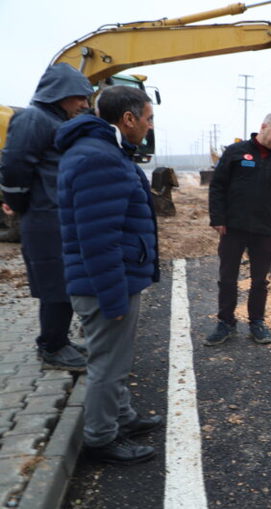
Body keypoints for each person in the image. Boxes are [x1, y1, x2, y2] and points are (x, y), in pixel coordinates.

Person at [55, 85, 162, 465]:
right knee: (108, 365)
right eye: (148, 119)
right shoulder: (99, 158)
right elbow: (98, 239)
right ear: (128, 118)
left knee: (115, 358)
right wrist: (113, 296)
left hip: (107, 279)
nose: (149, 127)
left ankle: (123, 417)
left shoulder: (102, 151)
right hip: (103, 284)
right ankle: (100, 439)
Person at [0, 63, 93, 371]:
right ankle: (51, 347)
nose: (83, 103)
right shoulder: (33, 119)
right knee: (55, 284)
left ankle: (59, 341)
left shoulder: (54, 120)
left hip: (57, 216)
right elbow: (14, 167)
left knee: (63, 282)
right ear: (60, 93)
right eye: (79, 96)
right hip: (44, 218)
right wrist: (21, 204)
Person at [205, 113, 271, 345]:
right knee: (227, 278)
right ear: (263, 127)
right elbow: (218, 186)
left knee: (260, 281)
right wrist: (218, 218)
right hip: (233, 227)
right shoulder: (236, 152)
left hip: (264, 230)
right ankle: (225, 323)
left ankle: (257, 322)